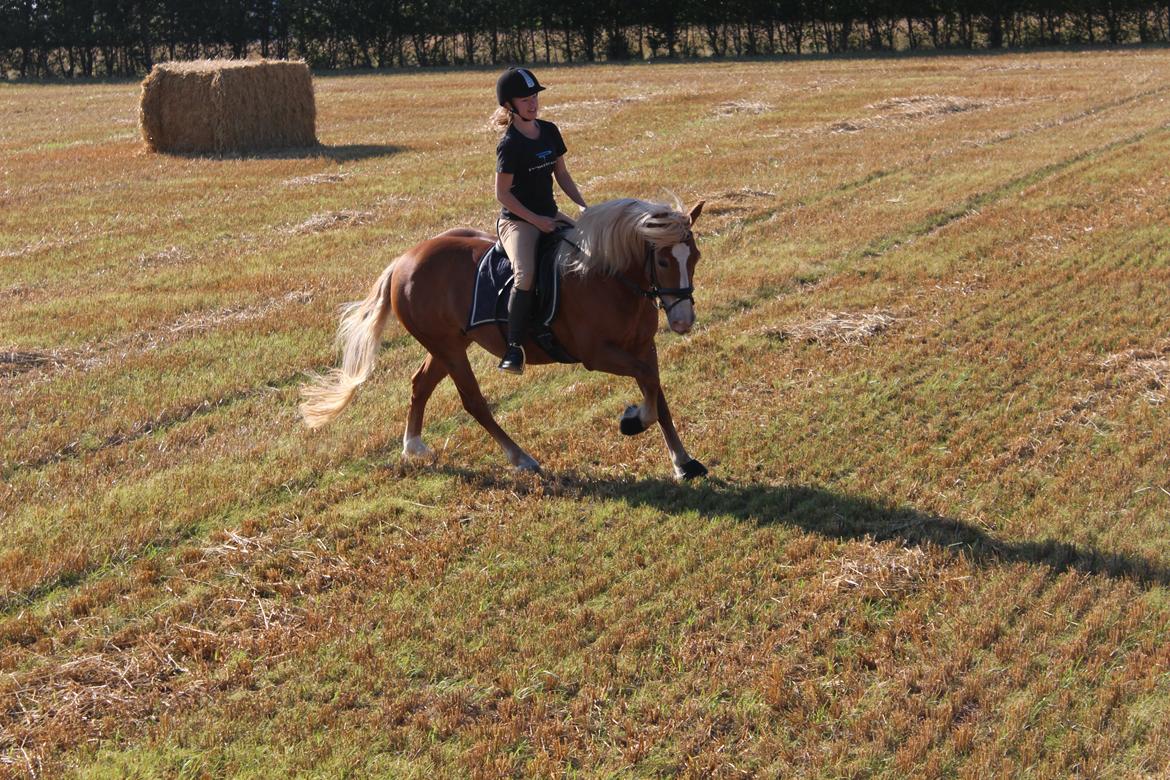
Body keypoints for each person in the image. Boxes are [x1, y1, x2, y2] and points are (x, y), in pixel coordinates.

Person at [491, 66, 588, 374]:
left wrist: (585, 207)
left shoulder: (549, 130)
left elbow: (561, 174)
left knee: (588, 252)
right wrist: (536, 221)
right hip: (517, 222)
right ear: (510, 105)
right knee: (526, 276)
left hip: (550, 214)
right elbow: (503, 195)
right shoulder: (510, 144)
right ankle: (514, 348)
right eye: (525, 98)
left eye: (535, 97)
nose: (533, 103)